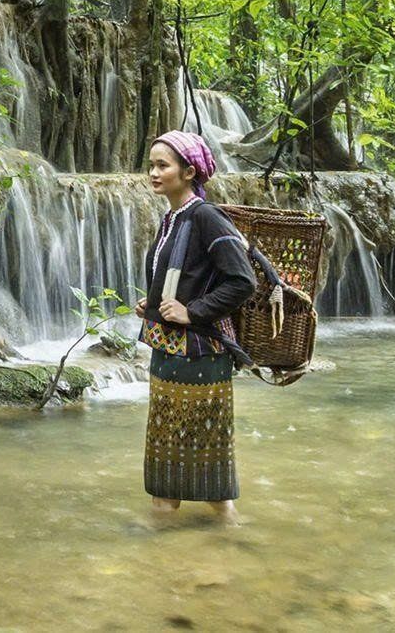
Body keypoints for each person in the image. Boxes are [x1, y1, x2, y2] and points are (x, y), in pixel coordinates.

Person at [134, 130, 257, 524]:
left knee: (207, 455)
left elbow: (242, 281)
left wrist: (193, 312)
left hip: (202, 354)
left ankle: (227, 534)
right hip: (168, 354)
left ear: (189, 172)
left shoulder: (206, 216)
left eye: (162, 165)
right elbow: (181, 276)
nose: (153, 172)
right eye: (151, 165)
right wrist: (152, 304)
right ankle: (169, 545)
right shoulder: (173, 218)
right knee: (166, 453)